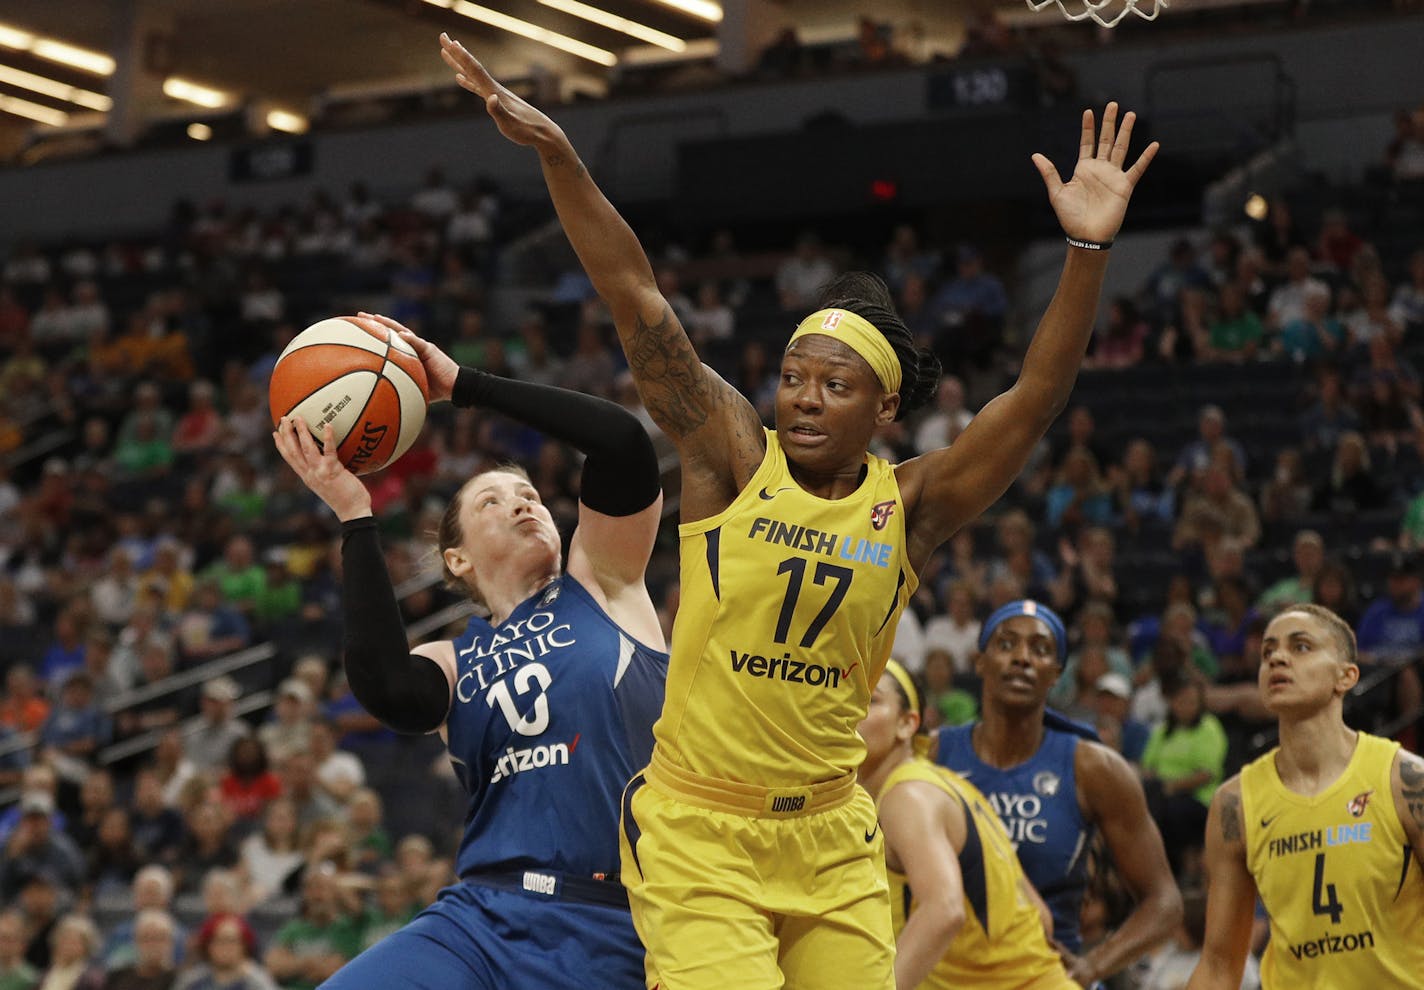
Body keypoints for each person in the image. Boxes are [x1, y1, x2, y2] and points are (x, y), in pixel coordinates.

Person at [438, 30, 1158, 988]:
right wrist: (563, 158)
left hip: (829, 836)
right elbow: (635, 294)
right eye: (791, 376)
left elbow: (1034, 398)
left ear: (886, 407)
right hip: (699, 828)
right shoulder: (732, 456)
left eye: (835, 383)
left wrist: (1085, 249)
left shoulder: (914, 504)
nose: (805, 397)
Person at [272, 308, 667, 989]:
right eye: (492, 501)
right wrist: (353, 514)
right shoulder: (456, 660)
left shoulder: (602, 580)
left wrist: (468, 385)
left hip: (611, 920)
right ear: (455, 559)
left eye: (530, 494)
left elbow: (623, 445)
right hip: (481, 918)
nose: (523, 504)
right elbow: (386, 686)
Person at [934, 601, 1182, 985]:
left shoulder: (1095, 768)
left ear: (1057, 673)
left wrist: (1094, 964)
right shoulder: (932, 755)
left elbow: (1165, 902)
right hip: (945, 974)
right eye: (1006, 645)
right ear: (980, 661)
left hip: (1043, 974)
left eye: (1040, 649)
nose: (1022, 658)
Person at [1187, 604, 1424, 987]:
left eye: (1300, 647)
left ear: (1346, 677)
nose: (1277, 658)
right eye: (1268, 652)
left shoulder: (1406, 781)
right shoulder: (1235, 803)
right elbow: (1219, 964)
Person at [859, 660, 1076, 989]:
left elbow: (944, 909)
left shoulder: (907, 797)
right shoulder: (947, 783)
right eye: (845, 697)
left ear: (907, 724)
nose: (850, 712)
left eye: (870, 700)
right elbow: (1041, 917)